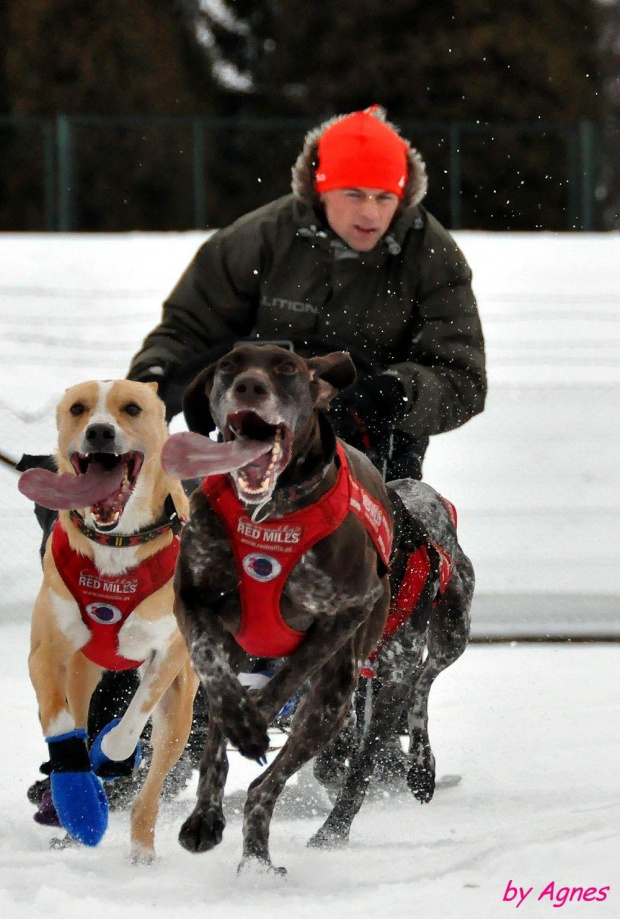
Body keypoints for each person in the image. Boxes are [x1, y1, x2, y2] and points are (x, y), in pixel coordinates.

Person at [128, 105, 486, 480]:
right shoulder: (255, 241)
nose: (371, 214)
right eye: (354, 194)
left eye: (384, 197)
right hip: (253, 435)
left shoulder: (431, 255)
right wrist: (148, 389)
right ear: (321, 189)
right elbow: (187, 331)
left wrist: (397, 392)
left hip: (377, 451)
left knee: (405, 531)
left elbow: (462, 378)